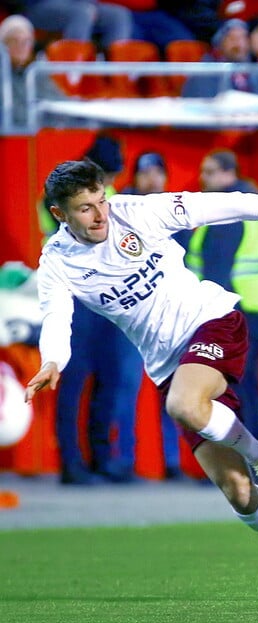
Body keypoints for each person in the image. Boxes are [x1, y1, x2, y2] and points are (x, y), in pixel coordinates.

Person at [25, 159, 258, 596]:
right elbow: (55, 317)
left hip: (212, 322)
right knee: (238, 493)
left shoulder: (139, 212)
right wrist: (52, 361)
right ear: (60, 214)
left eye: (101, 200)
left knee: (183, 405)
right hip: (168, 365)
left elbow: (229, 204)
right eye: (85, 208)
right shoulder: (57, 261)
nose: (100, 214)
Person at [187, 150, 258, 463]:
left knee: (233, 388)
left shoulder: (227, 211)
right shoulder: (251, 202)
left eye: (209, 173)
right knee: (246, 384)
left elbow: (216, 272)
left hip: (238, 309)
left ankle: (247, 458)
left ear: (227, 173)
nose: (203, 179)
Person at [50, 135, 145, 485]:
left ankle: (102, 460)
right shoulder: (61, 195)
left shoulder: (106, 195)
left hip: (108, 302)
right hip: (76, 300)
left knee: (108, 381)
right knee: (73, 383)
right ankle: (72, 464)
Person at [120, 150, 185, 480]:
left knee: (174, 393)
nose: (152, 179)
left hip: (167, 318)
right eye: (145, 172)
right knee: (126, 388)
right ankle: (124, 462)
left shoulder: (173, 209)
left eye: (158, 171)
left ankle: (174, 463)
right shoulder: (118, 210)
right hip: (131, 320)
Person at [0, 13, 63, 129]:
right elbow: (16, 115)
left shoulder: (37, 73)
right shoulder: (2, 76)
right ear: (3, 45)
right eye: (14, 41)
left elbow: (61, 104)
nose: (21, 46)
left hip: (44, 136)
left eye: (26, 41)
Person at [181, 19, 258, 98]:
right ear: (221, 43)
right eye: (232, 39)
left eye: (242, 38)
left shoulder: (252, 70)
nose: (238, 44)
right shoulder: (206, 71)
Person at [21, 0, 133, 49]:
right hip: (40, 7)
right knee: (82, 13)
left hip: (81, 6)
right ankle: (73, 74)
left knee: (119, 15)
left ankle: (117, 74)